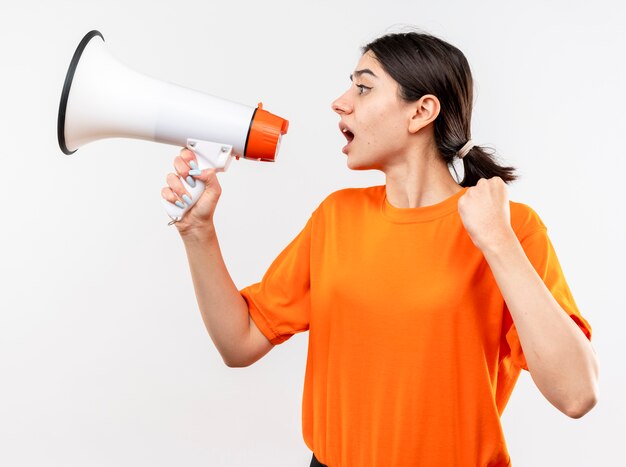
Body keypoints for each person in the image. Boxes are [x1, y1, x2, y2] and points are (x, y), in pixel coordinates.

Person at [160, 29, 598, 467]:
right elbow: (239, 344)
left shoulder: (510, 228)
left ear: (421, 112)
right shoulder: (336, 218)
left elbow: (577, 394)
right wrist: (197, 231)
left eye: (364, 87)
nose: (340, 101)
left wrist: (497, 243)